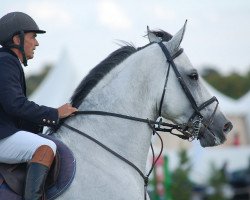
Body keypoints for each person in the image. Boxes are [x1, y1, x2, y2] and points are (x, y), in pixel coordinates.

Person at [0, 12, 78, 200]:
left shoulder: (7, 61)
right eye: (33, 37)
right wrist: (55, 114)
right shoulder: (6, 61)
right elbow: (15, 105)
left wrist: (50, 121)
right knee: (45, 146)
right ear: (17, 39)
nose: (37, 43)